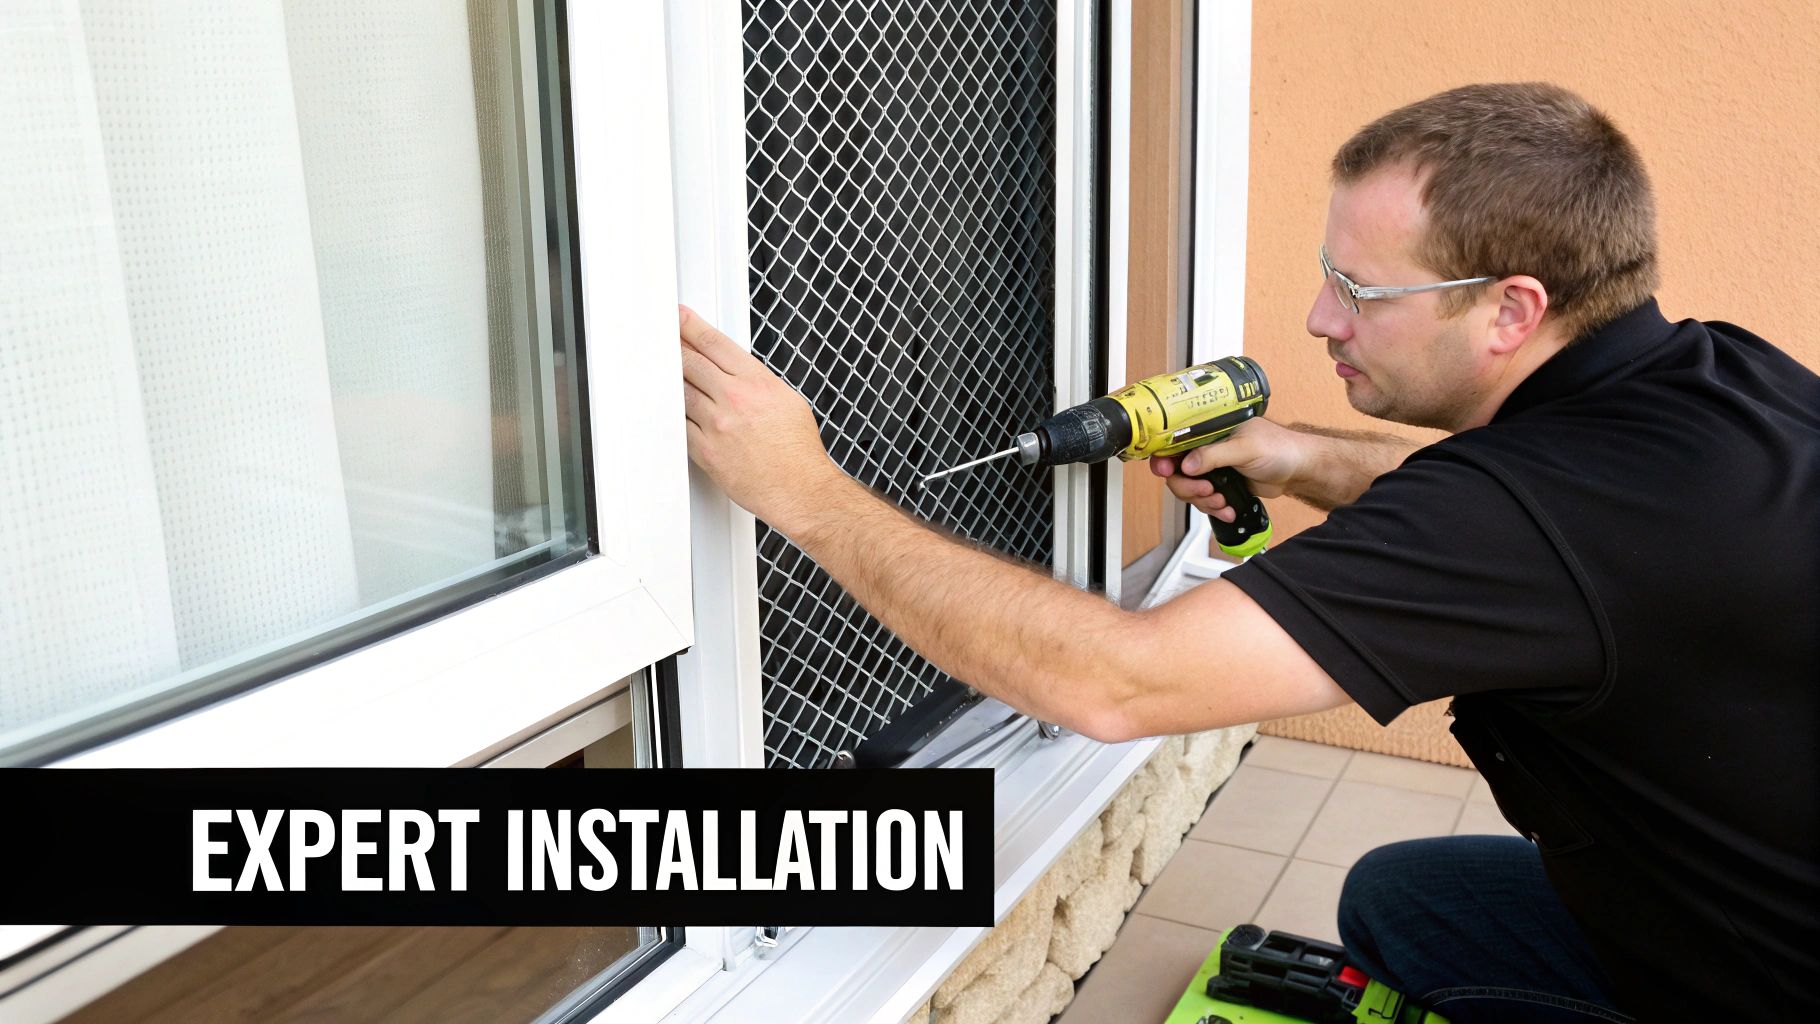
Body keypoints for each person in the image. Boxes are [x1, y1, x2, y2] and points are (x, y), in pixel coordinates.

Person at [677, 82, 1818, 1021]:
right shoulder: (1715, 379)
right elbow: (1537, 543)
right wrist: (1296, 458)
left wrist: (806, 493)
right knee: (1402, 900)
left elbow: (1115, 683)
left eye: (1357, 289)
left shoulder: (1526, 512)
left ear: (1510, 311)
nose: (1321, 320)